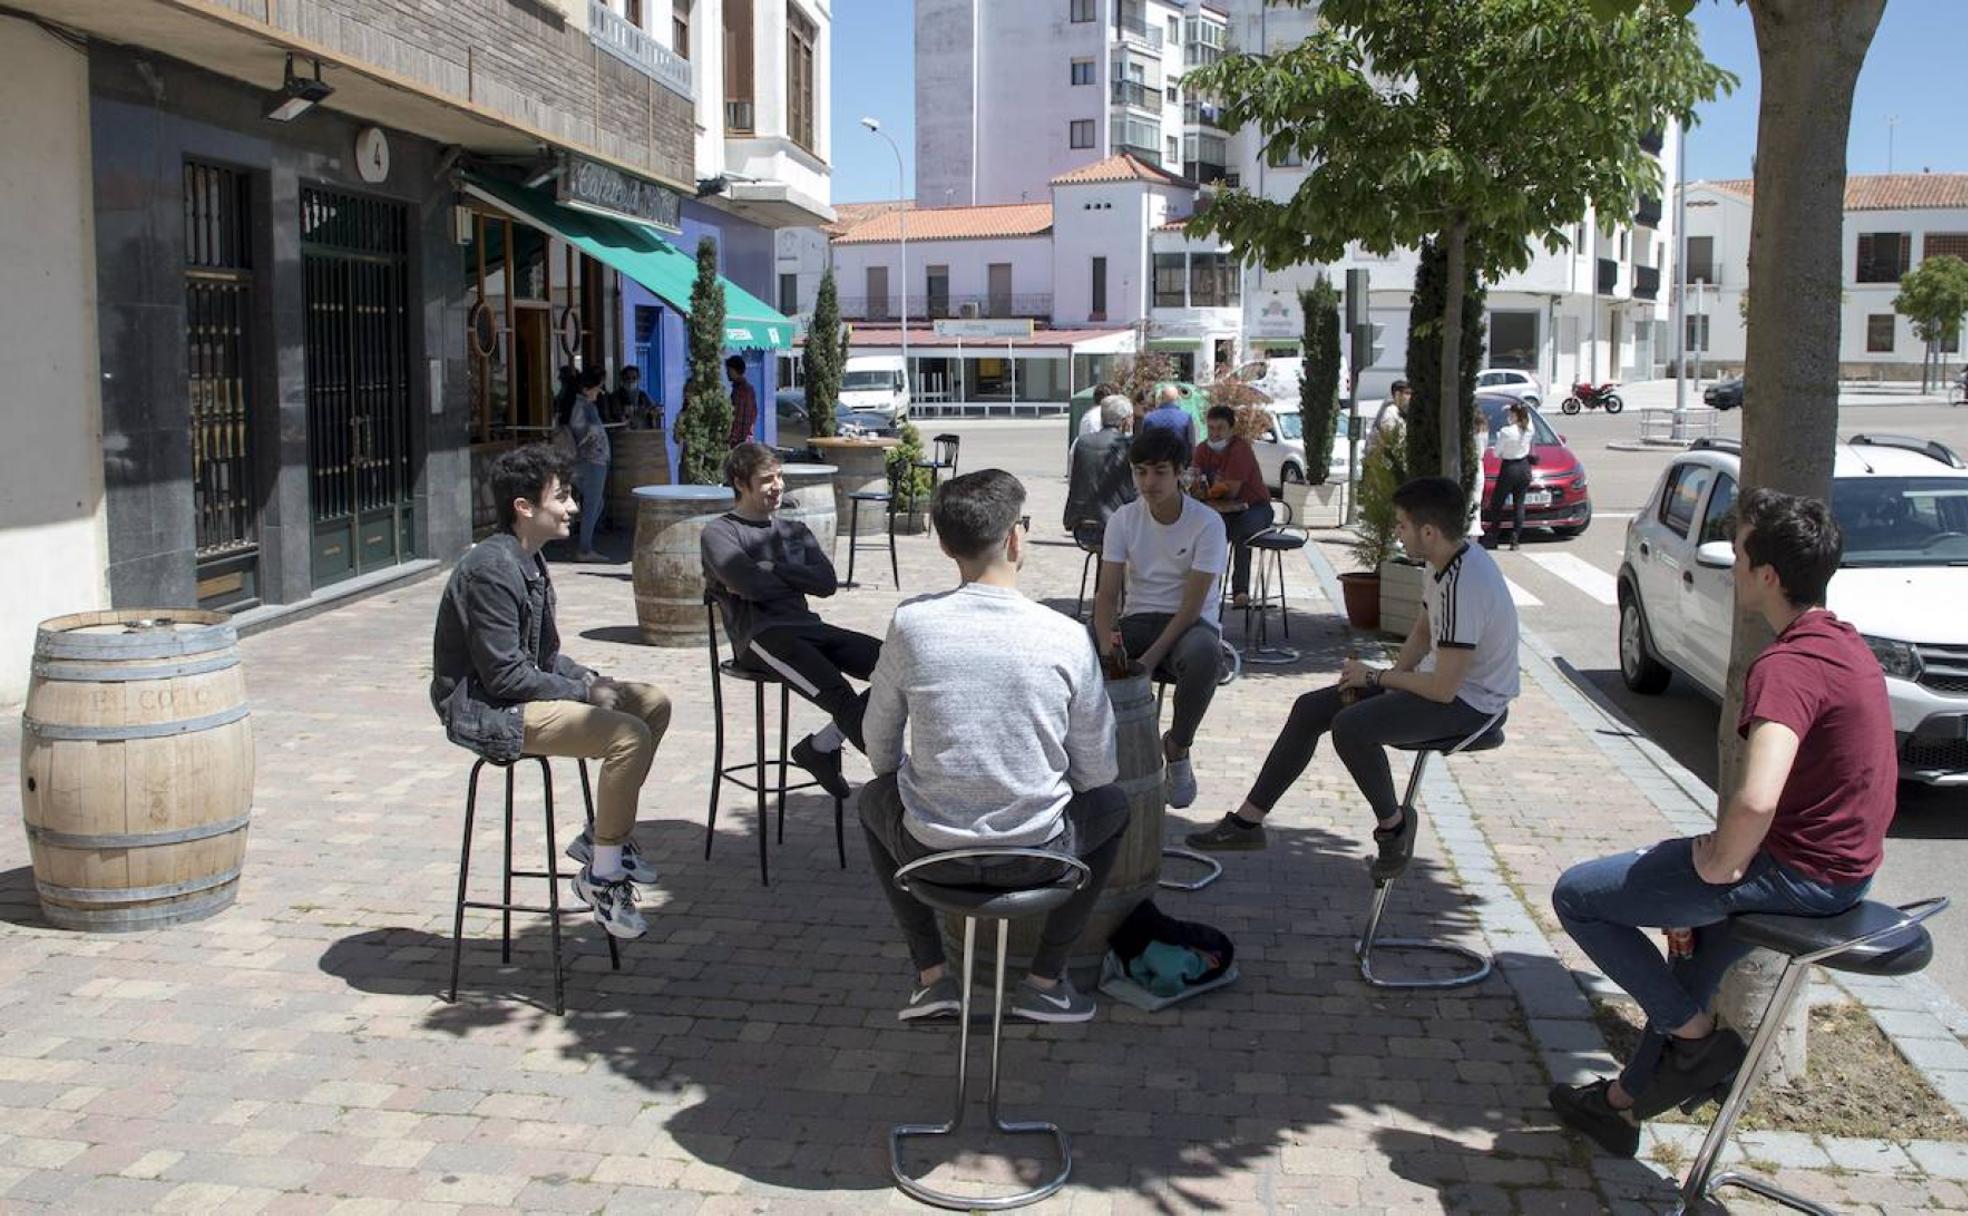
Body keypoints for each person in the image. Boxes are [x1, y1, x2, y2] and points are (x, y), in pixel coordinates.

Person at [1547, 489, 1895, 1158]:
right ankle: (1623, 1105)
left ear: (1766, 576)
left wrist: (1714, 867)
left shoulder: (1786, 667)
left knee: (1578, 897)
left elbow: (1758, 798)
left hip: (1792, 875)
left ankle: (1698, 1040)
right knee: (1694, 961)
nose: (1730, 565)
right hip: (1844, 875)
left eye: (1737, 554)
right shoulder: (1845, 644)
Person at [861, 469, 1130, 1023]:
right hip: (1036, 857)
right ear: (1013, 537)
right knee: (1116, 807)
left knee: (872, 798)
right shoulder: (1065, 635)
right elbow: (1100, 770)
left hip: (929, 856)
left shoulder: (911, 624)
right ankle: (1045, 979)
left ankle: (932, 975)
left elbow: (878, 745)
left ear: (943, 545)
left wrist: (907, 776)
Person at [1186, 477, 1518, 878]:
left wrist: (1378, 679)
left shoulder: (1466, 583)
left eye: (1401, 525)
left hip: (1473, 707)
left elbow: (1445, 690)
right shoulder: (1442, 563)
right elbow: (1423, 631)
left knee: (1351, 728)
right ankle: (1246, 823)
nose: (1396, 533)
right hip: (1446, 691)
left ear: (1428, 532)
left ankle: (1393, 827)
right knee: (1310, 709)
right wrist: (1388, 677)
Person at [429, 445, 671, 939]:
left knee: (650, 703)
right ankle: (602, 878)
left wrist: (590, 677)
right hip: (487, 710)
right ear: (524, 507)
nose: (574, 507)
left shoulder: (530, 559)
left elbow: (541, 659)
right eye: (561, 497)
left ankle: (600, 839)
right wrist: (583, 692)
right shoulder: (493, 569)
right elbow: (505, 678)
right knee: (627, 736)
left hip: (516, 694)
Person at [701, 443, 882, 800]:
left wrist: (774, 567)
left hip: (808, 627)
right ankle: (900, 780)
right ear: (740, 483)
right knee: (841, 697)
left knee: (898, 666)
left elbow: (827, 584)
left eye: (780, 476)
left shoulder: (793, 532)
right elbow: (750, 586)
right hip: (760, 638)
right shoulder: (720, 533)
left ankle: (820, 747)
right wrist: (786, 577)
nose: (778, 486)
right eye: (767, 479)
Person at [1094, 425, 1229, 811]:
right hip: (1139, 618)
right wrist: (1108, 646)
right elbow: (1106, 596)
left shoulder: (1207, 523)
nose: (1148, 482)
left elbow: (1191, 606)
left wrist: (1148, 661)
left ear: (1181, 473)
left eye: (1159, 472)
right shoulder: (1123, 518)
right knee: (1083, 645)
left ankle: (1179, 746)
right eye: (1140, 472)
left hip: (1190, 624)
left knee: (1206, 654)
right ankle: (1094, 756)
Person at [1192, 404, 1275, 607]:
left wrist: (1206, 489)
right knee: (1208, 532)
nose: (1215, 433)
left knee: (1242, 532)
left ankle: (1240, 591)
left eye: (1220, 428)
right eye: (1211, 428)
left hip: (1256, 507)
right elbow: (1193, 481)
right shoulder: (1202, 449)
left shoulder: (1240, 450)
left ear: (1231, 430)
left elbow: (1232, 491)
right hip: (1223, 511)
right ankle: (1206, 588)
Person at [1063, 395, 1138, 547]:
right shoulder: (1128, 445)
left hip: (1081, 523)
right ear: (1126, 420)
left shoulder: (1081, 442)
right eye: (1131, 418)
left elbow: (1071, 478)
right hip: (1115, 524)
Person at [562, 367, 612, 562]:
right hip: (590, 461)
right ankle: (584, 549)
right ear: (586, 388)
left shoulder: (586, 405)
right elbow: (581, 430)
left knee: (597, 503)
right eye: (597, 388)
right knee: (592, 503)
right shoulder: (582, 407)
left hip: (594, 460)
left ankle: (585, 543)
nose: (600, 392)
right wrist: (592, 437)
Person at [1484, 401, 1535, 550]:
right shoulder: (1529, 429)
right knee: (1519, 504)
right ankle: (1515, 540)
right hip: (1524, 466)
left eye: (1510, 414)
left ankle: (1494, 536)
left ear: (1514, 415)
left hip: (1510, 467)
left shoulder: (1507, 431)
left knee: (1497, 503)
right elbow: (1528, 417)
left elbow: (1496, 452)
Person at [1140, 384, 1197, 450]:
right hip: (1179, 458)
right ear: (1177, 398)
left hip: (1156, 458)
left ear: (1161, 397)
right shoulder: (1186, 418)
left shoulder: (1149, 418)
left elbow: (1144, 442)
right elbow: (1191, 443)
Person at [1368, 379, 1410, 458]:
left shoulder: (1400, 412)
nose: (1410, 397)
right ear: (1397, 395)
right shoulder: (1390, 413)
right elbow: (1388, 439)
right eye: (1407, 393)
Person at [727, 355, 759, 448]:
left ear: (733, 371)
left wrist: (734, 438)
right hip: (742, 440)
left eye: (728, 370)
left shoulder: (742, 390)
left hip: (739, 441)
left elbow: (741, 417)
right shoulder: (744, 389)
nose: (727, 373)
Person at [615, 365, 658, 430]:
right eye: (627, 378)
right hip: (622, 434)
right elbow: (616, 414)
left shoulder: (643, 395)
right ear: (622, 379)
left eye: (634, 378)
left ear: (638, 379)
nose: (631, 381)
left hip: (641, 433)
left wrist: (652, 413)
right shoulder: (616, 396)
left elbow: (654, 409)